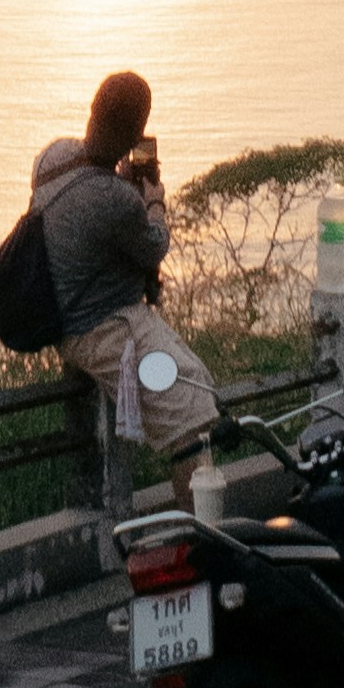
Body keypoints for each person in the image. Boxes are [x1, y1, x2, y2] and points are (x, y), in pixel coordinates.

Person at [30, 71, 217, 464]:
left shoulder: (52, 157)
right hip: (100, 327)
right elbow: (153, 249)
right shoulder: (116, 199)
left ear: (92, 110)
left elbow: (83, 213)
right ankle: (195, 525)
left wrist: (119, 179)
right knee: (192, 413)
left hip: (62, 311)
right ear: (138, 135)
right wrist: (154, 203)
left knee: (197, 375)